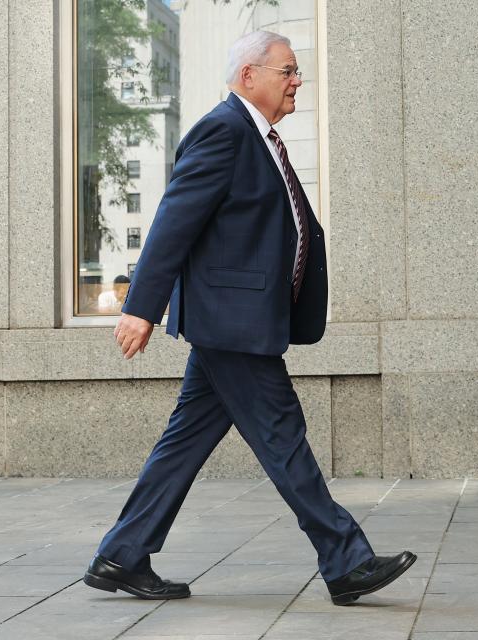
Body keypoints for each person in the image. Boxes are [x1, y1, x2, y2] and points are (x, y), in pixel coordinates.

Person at [82, 30, 415, 606]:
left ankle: (122, 554)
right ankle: (346, 559)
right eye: (286, 70)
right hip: (230, 322)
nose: (296, 81)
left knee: (184, 443)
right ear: (248, 76)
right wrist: (141, 306)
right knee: (283, 436)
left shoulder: (258, 138)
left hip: (236, 320)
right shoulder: (225, 131)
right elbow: (172, 223)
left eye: (296, 71)